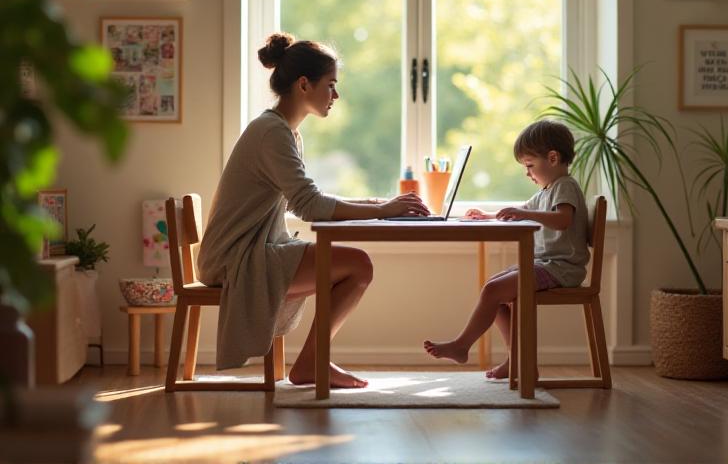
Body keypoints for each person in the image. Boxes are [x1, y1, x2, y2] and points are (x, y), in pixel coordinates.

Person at [197, 32, 430, 389]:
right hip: (236, 259)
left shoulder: (282, 130)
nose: (336, 95)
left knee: (355, 265)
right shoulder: (272, 133)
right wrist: (383, 207)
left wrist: (377, 205)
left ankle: (311, 361)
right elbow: (309, 206)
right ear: (304, 84)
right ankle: (311, 363)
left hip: (247, 251)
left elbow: (301, 198)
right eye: (331, 85)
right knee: (358, 265)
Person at [423, 120, 589, 379]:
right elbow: (520, 211)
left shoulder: (565, 186)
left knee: (493, 290)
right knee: (494, 292)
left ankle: (462, 345)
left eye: (530, 166)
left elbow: (563, 220)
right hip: (548, 265)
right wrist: (488, 215)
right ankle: (518, 361)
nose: (528, 174)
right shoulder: (547, 190)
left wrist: (523, 213)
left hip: (562, 269)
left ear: (553, 158)